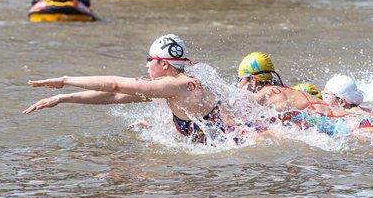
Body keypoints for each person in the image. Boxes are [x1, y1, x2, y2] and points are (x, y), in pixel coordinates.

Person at [23, 34, 235, 144]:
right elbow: (115, 95)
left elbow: (115, 84)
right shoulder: (173, 85)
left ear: (164, 64)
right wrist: (63, 98)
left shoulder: (174, 85)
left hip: (238, 138)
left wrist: (65, 79)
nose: (146, 64)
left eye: (149, 59)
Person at [236, 52, 373, 141]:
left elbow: (235, 104)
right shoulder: (289, 92)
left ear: (252, 79)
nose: (239, 85)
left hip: (354, 127)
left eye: (240, 80)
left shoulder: (266, 93)